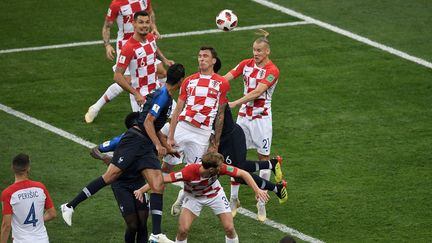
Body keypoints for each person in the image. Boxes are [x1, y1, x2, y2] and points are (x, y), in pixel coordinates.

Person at [61, 63, 186, 243]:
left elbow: (156, 126)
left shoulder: (164, 95)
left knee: (158, 185)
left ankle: (156, 234)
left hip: (144, 144)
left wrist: (167, 147)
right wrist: (159, 145)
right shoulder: (163, 96)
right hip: (135, 140)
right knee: (111, 176)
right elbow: (148, 123)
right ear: (181, 80)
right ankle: (70, 206)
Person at [134, 152, 269, 243]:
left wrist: (257, 190)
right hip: (193, 198)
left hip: (215, 195)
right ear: (211, 170)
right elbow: (162, 179)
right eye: (220, 166)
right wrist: (141, 189)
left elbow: (243, 173)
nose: (222, 168)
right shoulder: (188, 172)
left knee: (229, 228)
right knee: (182, 230)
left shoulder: (220, 168)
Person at [223, 29, 281, 220]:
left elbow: (258, 92)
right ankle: (233, 199)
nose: (255, 54)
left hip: (262, 120)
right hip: (243, 119)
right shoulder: (245, 64)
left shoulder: (273, 71)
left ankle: (261, 201)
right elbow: (226, 78)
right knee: (235, 158)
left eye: (259, 50)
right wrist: (212, 84)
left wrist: (235, 103)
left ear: (267, 52)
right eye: (254, 50)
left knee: (263, 158)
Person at [167, 47, 230, 214]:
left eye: (206, 56)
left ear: (213, 61)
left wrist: (215, 143)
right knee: (166, 166)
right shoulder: (188, 81)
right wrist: (171, 136)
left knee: (196, 172)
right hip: (184, 126)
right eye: (200, 56)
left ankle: (182, 196)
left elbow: (220, 114)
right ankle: (152, 198)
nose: (201, 59)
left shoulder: (222, 83)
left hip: (202, 133)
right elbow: (178, 109)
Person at [85, 3, 171, 123]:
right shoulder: (117, 4)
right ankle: (96, 107)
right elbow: (107, 26)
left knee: (162, 72)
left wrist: (154, 27)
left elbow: (150, 12)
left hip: (146, 40)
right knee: (128, 81)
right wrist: (107, 45)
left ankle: (158, 100)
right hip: (127, 44)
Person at [91, 111, 150, 243]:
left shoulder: (147, 137)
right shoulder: (122, 139)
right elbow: (94, 150)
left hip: (139, 182)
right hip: (121, 185)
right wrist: (104, 157)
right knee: (133, 225)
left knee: (142, 222)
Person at [1, 153, 56, 243]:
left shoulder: (8, 193)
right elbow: (52, 214)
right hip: (42, 240)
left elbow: (6, 225)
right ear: (28, 168)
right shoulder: (40, 188)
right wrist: (36, 221)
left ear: (12, 168)